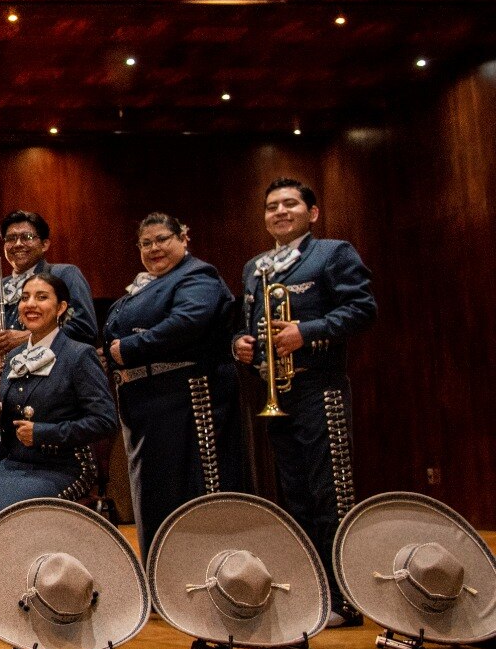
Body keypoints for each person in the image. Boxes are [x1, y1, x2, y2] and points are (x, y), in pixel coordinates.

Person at [234, 177, 377, 625]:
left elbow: (362, 310)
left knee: (330, 492)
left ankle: (346, 598)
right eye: (272, 205)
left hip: (321, 386)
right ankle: (316, 592)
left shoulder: (332, 253)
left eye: (290, 204)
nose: (280, 211)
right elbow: (255, 325)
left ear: (311, 213)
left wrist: (306, 332)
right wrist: (244, 345)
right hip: (278, 392)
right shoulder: (255, 266)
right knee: (293, 494)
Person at [0, 273, 119, 582]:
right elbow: (2, 426)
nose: (30, 304)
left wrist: (44, 433)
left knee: (1, 509)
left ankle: (12, 587)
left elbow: (105, 421)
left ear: (62, 307)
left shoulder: (78, 355)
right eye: (25, 298)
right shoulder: (13, 359)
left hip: (64, 466)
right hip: (14, 465)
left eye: (42, 297)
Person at [104, 213, 244, 556]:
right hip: (147, 407)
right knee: (154, 497)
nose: (154, 249)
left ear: (184, 237)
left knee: (193, 493)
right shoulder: (140, 287)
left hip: (187, 400)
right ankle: (160, 578)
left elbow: (187, 322)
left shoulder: (198, 275)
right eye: (146, 243)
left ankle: (205, 577)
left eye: (162, 239)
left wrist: (130, 347)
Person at [0, 210, 98, 384]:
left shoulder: (64, 274)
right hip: (14, 384)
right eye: (10, 238)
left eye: (26, 237)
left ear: (45, 244)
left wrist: (28, 337)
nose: (18, 244)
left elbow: (84, 327)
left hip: (59, 381)